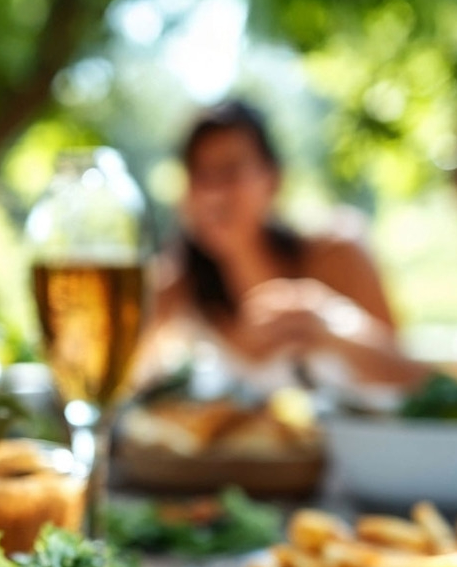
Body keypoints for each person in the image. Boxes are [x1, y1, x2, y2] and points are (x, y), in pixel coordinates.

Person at [146, 100, 423, 392]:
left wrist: (330, 327)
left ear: (274, 180)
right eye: (201, 175)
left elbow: (419, 383)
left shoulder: (337, 250)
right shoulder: (178, 284)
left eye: (230, 171)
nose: (214, 193)